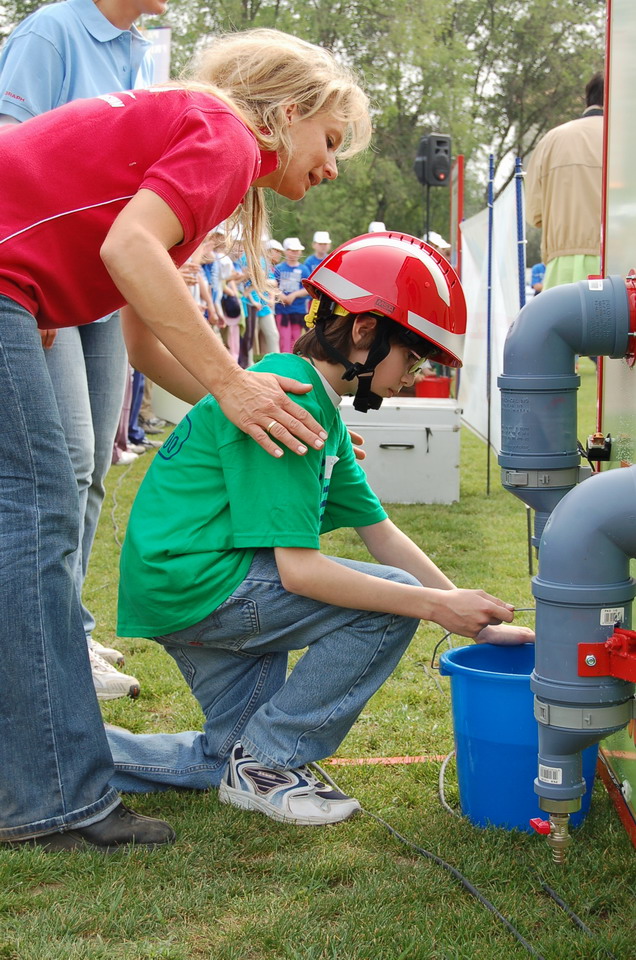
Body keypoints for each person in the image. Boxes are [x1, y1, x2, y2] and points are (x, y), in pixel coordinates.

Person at [0, 27, 371, 851]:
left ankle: (37, 777)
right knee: (36, 521)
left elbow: (139, 339)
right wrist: (234, 385)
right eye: (332, 140)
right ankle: (49, 799)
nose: (333, 166)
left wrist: (237, 409)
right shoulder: (226, 136)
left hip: (14, 287)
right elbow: (127, 247)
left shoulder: (197, 138)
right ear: (287, 113)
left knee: (33, 523)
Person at [105, 233, 534, 826]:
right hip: (199, 585)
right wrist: (434, 606)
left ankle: (61, 755)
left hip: (180, 584)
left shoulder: (313, 402)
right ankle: (267, 764)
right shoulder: (295, 402)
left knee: (224, 757)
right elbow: (299, 573)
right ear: (364, 331)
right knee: (392, 603)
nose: (414, 376)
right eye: (413, 357)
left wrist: (470, 617)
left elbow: (380, 532)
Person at [0, 0, 165, 699]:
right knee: (62, 462)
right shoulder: (52, 31)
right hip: (43, 274)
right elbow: (8, 147)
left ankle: (66, 626)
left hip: (105, 281)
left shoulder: (141, 51)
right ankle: (41, 643)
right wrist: (26, 280)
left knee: (95, 462)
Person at [525, 72, 604, 290]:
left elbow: (534, 215)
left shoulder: (550, 140)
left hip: (562, 268)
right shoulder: (625, 138)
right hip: (623, 266)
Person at [274, 237, 311, 353]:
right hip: (282, 309)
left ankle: (294, 357)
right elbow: (273, 285)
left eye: (297, 251)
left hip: (297, 310)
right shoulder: (279, 268)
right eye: (291, 250)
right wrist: (281, 296)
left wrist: (294, 295)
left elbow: (308, 288)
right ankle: (284, 357)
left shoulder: (304, 269)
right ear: (285, 251)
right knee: (284, 337)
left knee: (296, 337)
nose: (294, 253)